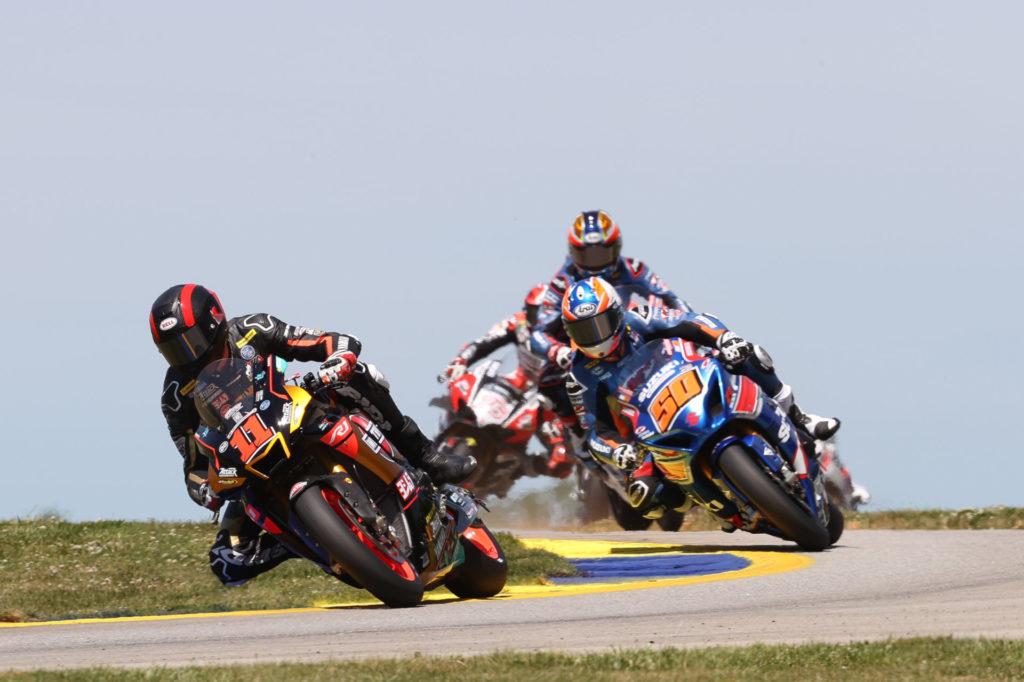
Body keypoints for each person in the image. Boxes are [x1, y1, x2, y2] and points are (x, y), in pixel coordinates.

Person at [150, 283, 474, 585]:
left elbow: (324, 340)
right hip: (250, 464)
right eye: (173, 350)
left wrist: (339, 356)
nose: (186, 356)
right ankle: (315, 539)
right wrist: (204, 490)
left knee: (357, 376)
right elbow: (192, 460)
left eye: (189, 342)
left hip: (292, 415)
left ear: (213, 323)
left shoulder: (252, 329)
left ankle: (425, 456)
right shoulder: (176, 394)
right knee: (227, 563)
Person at [561, 276, 840, 519]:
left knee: (749, 354)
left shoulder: (640, 318)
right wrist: (619, 451)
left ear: (617, 314)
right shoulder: (580, 374)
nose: (594, 338)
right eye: (583, 331)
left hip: (693, 378)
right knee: (644, 496)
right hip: (651, 427)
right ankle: (712, 504)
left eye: (599, 325)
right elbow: (595, 433)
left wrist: (724, 339)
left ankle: (799, 418)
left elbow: (692, 322)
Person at [530, 210, 692, 434]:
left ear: (616, 248)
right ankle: (581, 437)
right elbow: (538, 334)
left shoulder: (634, 269)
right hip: (581, 348)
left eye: (602, 254)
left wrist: (685, 324)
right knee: (550, 385)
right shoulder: (561, 282)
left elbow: (670, 298)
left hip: (626, 333)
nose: (595, 263)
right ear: (573, 253)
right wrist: (559, 352)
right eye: (587, 256)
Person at [439, 285, 573, 477]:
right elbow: (485, 342)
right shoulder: (518, 323)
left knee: (562, 460)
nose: (542, 319)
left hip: (547, 395)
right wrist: (461, 360)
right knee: (458, 388)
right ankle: (436, 439)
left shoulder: (569, 339)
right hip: (510, 381)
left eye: (549, 314)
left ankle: (528, 464)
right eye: (537, 312)